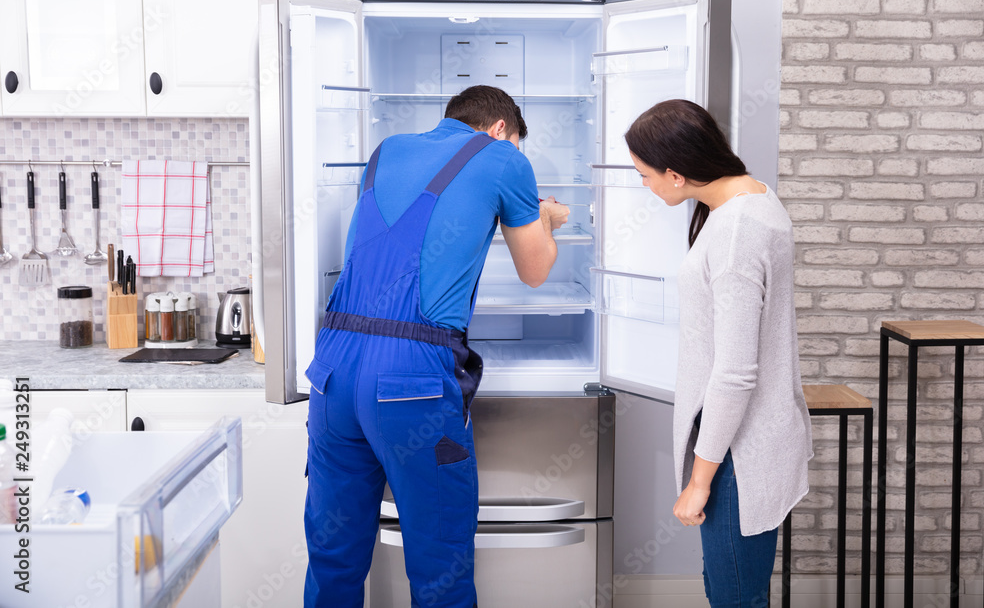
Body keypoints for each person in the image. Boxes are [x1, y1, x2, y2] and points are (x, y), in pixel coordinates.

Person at [302, 85, 570, 607]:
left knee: (333, 561)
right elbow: (535, 271)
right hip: (410, 379)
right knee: (438, 571)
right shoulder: (503, 159)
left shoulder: (386, 151)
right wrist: (548, 221)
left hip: (333, 370)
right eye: (515, 143)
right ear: (499, 131)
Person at [625, 99, 812, 607]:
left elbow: (734, 373)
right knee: (736, 590)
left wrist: (700, 482)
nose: (645, 185)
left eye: (645, 175)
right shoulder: (750, 197)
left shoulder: (734, 234)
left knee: (734, 598)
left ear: (677, 173)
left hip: (737, 452)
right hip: (747, 439)